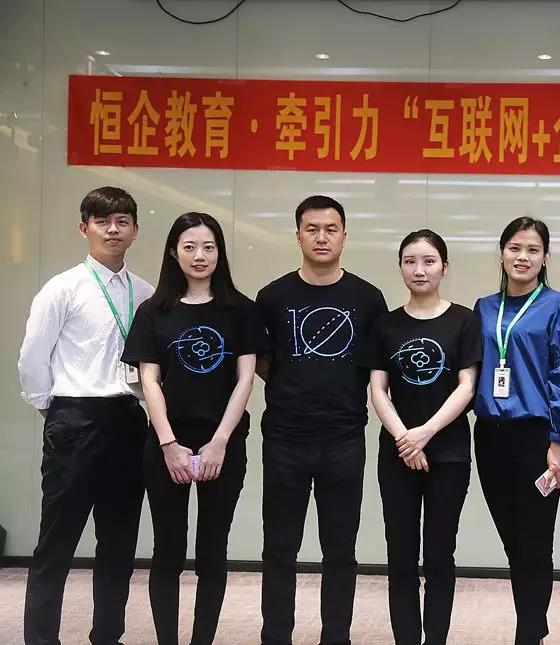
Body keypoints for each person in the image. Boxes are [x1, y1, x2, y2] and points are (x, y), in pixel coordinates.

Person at [121, 212, 269, 645]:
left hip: (223, 443)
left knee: (212, 551)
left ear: (220, 252)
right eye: (189, 247)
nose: (199, 255)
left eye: (208, 247)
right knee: (167, 550)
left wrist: (220, 441)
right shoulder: (154, 311)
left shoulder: (241, 310)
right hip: (167, 445)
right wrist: (168, 443)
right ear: (174, 252)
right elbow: (149, 381)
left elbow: (245, 378)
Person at [18, 186, 153, 645]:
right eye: (102, 221)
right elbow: (32, 358)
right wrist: (53, 409)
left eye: (122, 222)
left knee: (119, 543)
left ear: (135, 231)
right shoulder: (62, 288)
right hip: (75, 417)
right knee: (57, 540)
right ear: (84, 228)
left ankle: (107, 636)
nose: (113, 230)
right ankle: (41, 639)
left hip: (129, 420)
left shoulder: (145, 293)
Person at [254, 195, 388, 645]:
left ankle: (336, 636)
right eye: (312, 229)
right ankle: (276, 636)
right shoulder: (272, 297)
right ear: (297, 236)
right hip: (284, 438)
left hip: (344, 439)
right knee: (279, 548)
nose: (322, 237)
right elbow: (262, 362)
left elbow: (376, 368)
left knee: (340, 550)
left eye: (331, 229)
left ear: (345, 236)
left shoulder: (368, 298)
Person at [473, 216, 560, 645]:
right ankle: (534, 625)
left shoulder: (559, 306)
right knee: (512, 540)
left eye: (532, 250)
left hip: (537, 438)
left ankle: (528, 632)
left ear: (545, 257)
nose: (522, 257)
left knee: (535, 539)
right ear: (502, 253)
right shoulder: (483, 308)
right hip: (489, 436)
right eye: (514, 248)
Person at [363, 229, 481, 645]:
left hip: (448, 454)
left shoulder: (464, 320)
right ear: (400, 267)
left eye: (429, 261)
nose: (419, 269)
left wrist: (425, 433)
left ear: (444, 267)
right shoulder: (386, 324)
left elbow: (467, 386)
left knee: (439, 556)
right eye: (410, 261)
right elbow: (378, 389)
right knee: (400, 556)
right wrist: (404, 439)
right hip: (397, 455)